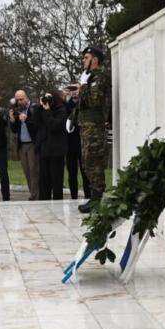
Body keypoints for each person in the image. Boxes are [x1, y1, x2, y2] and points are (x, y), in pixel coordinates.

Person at [77, 46, 110, 214]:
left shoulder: (100, 77)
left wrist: (82, 87)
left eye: (86, 57)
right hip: (86, 127)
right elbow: (82, 103)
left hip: (95, 129)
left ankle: (97, 199)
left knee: (94, 162)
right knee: (87, 162)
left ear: (95, 60)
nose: (83, 60)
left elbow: (94, 101)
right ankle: (94, 197)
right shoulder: (91, 77)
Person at [35, 91, 68, 200]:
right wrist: (39, 107)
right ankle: (43, 203)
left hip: (56, 151)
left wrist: (48, 111)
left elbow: (54, 126)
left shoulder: (61, 110)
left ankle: (57, 203)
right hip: (44, 149)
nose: (47, 101)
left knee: (56, 181)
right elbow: (35, 122)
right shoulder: (43, 110)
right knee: (44, 182)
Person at [10, 90, 40, 200]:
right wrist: (13, 120)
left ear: (26, 98)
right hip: (22, 145)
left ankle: (36, 195)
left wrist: (26, 120)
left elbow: (37, 126)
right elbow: (14, 130)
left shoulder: (33, 108)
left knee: (34, 170)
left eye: (21, 99)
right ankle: (32, 192)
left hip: (32, 143)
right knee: (26, 170)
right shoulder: (17, 110)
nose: (19, 102)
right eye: (17, 100)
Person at [64, 85, 90, 199]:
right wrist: (65, 98)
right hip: (70, 145)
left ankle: (88, 196)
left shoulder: (85, 103)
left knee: (85, 172)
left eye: (76, 90)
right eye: (72, 90)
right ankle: (73, 196)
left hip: (83, 143)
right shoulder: (67, 105)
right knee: (72, 173)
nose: (74, 92)